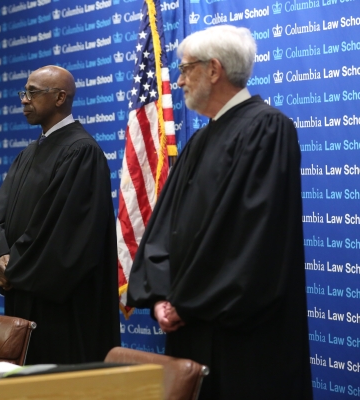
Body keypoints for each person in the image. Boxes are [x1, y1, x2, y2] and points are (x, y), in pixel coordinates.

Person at [127, 25, 312, 399]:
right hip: (187, 323)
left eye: (185, 69)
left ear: (214, 70)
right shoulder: (201, 139)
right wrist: (162, 295)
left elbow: (253, 241)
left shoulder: (268, 129)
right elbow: (164, 228)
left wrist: (187, 303)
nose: (179, 81)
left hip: (241, 335)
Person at [0, 65, 120, 364]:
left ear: (59, 98)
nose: (24, 99)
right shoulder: (28, 154)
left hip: (61, 308)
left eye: (32, 92)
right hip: (22, 294)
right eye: (24, 92)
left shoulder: (82, 152)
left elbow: (65, 235)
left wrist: (13, 267)